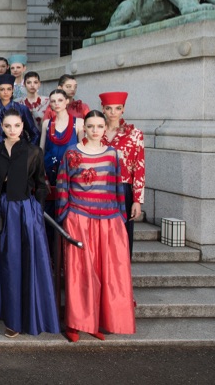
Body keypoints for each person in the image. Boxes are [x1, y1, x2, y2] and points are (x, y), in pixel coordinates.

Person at [0, 108, 59, 338]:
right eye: (8, 126)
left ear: (23, 126)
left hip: (22, 212)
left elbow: (42, 185)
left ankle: (15, 318)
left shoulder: (34, 152)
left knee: (16, 264)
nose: (12, 130)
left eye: (16, 125)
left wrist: (36, 210)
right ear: (1, 128)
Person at [56, 110, 136, 342]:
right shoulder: (71, 152)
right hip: (79, 217)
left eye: (99, 126)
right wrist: (65, 215)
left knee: (109, 273)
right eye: (90, 126)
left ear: (104, 128)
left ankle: (98, 321)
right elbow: (63, 184)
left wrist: (121, 216)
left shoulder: (112, 154)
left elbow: (118, 187)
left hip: (109, 220)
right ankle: (76, 322)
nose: (94, 130)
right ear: (84, 128)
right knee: (81, 273)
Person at [100, 92, 145, 258]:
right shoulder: (97, 131)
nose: (113, 112)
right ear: (103, 109)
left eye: (117, 108)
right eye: (109, 108)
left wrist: (137, 200)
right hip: (100, 189)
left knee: (123, 234)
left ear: (123, 109)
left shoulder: (134, 134)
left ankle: (122, 275)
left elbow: (139, 168)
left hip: (124, 189)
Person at [40, 89, 84, 242]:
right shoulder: (47, 123)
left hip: (71, 174)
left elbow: (82, 150)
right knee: (50, 212)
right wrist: (42, 175)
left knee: (68, 212)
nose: (56, 103)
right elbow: (41, 150)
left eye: (60, 100)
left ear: (66, 101)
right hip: (50, 174)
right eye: (53, 101)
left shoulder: (78, 122)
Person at [0, 74, 40, 146]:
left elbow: (35, 133)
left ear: (13, 90)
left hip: (17, 151)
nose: (6, 92)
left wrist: (29, 151)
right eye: (2, 89)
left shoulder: (22, 109)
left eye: (9, 89)